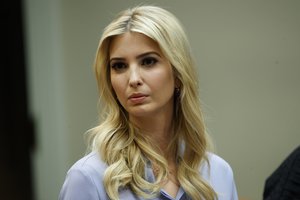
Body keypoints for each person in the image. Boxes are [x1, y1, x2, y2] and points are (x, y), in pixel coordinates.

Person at [59, 5, 238, 200]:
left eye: (148, 61)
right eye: (119, 66)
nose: (133, 78)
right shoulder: (89, 178)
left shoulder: (218, 174)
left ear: (178, 72)